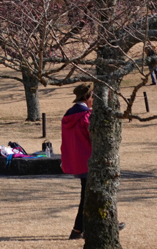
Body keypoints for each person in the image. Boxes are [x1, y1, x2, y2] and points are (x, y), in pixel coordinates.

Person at [62, 84, 93, 240]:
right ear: (87, 98)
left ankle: (80, 229)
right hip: (89, 160)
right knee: (88, 196)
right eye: (92, 96)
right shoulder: (86, 115)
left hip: (76, 160)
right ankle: (78, 229)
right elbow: (94, 137)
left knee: (87, 194)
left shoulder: (68, 115)